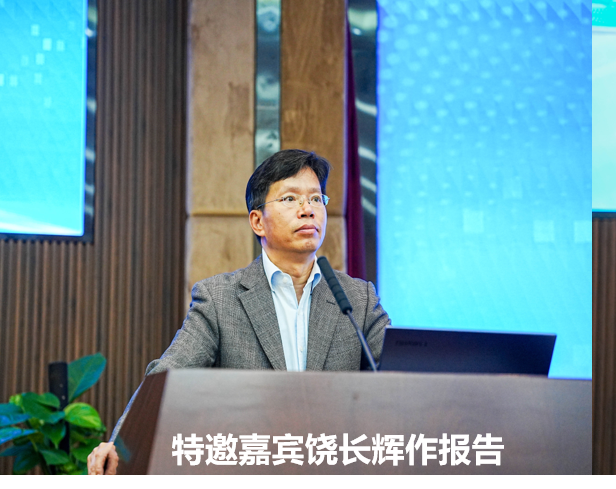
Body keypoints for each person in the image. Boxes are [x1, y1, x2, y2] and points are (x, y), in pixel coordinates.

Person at [84, 149, 393, 474]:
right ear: (258, 221)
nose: (308, 210)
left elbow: (402, 378)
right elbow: (166, 377)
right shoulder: (220, 299)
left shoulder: (357, 298)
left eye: (316, 199)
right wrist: (119, 446)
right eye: (290, 199)